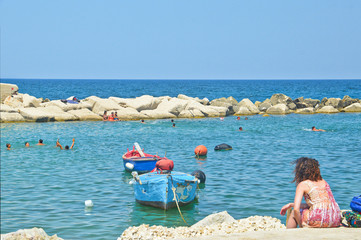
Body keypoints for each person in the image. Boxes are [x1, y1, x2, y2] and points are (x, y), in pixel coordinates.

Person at [280, 157, 341, 228]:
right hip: (335, 218)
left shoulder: (303, 184)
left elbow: (296, 210)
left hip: (320, 220)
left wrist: (300, 226)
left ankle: (289, 236)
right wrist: (291, 205)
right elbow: (316, 205)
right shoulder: (324, 182)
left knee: (293, 213)